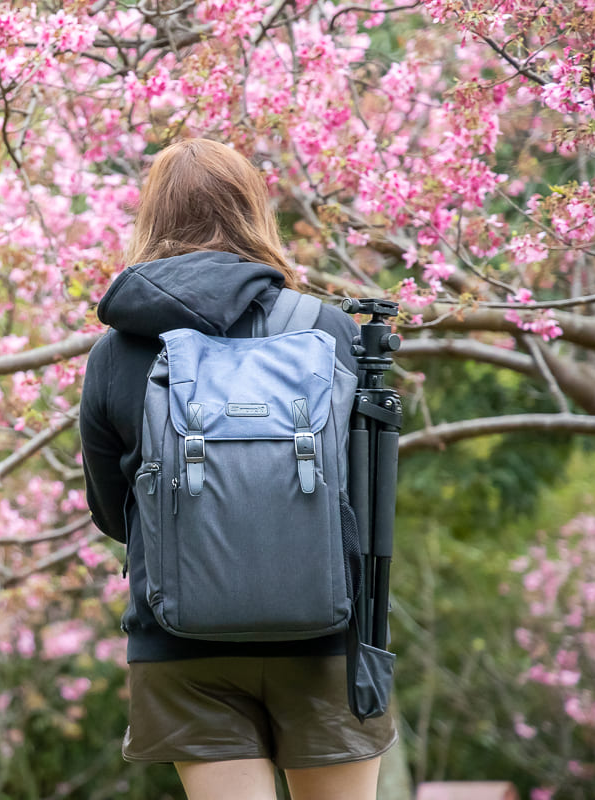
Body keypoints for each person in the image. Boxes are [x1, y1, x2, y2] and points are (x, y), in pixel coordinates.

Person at [79, 138, 398, 800]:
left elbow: (114, 514)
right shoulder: (328, 330)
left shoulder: (116, 352)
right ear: (254, 209)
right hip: (327, 639)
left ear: (153, 218)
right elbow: (368, 495)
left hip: (181, 642)